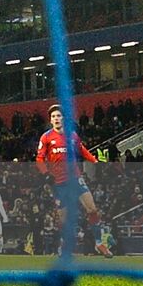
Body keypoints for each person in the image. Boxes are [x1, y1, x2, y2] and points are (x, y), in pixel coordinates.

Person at [36, 104, 112, 257]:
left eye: (58, 116)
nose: (56, 119)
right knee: (64, 220)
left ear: (63, 118)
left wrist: (95, 161)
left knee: (92, 209)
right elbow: (39, 158)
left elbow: (82, 150)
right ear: (50, 120)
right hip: (58, 183)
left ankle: (99, 243)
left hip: (75, 178)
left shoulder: (72, 135)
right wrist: (45, 173)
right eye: (53, 117)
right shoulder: (46, 137)